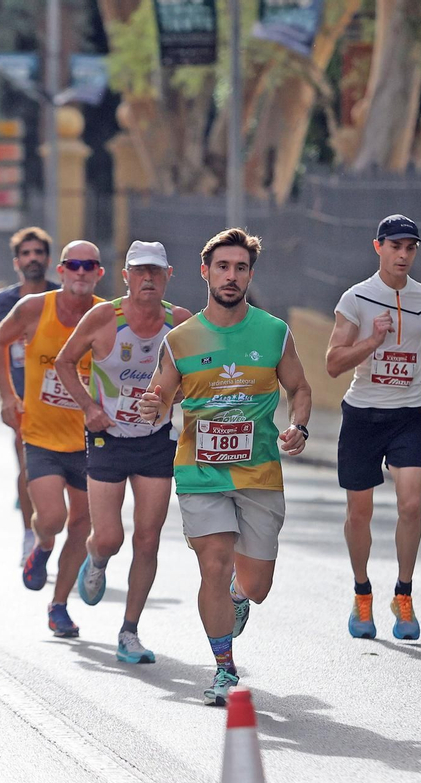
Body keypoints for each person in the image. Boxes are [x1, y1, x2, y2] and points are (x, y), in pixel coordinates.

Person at [136, 228, 313, 706]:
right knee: (211, 565)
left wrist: (299, 426)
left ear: (250, 274)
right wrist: (153, 408)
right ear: (205, 272)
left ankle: (239, 594)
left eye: (239, 268)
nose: (231, 276)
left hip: (259, 473)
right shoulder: (181, 339)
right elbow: (160, 394)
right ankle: (223, 669)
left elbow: (300, 388)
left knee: (256, 587)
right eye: (222, 267)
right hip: (200, 474)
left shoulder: (274, 332)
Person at [53, 241, 193, 664]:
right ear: (126, 277)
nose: (148, 279)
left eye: (156, 272)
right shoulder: (103, 318)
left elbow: (195, 377)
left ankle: (129, 631)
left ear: (169, 276)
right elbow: (63, 363)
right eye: (140, 272)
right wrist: (91, 408)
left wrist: (175, 397)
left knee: (148, 540)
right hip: (108, 437)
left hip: (155, 441)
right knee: (111, 537)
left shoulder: (181, 323)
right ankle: (96, 559)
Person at [325, 215, 421, 642]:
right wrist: (371, 341)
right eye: (395, 246)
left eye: (410, 247)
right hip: (362, 415)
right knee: (359, 513)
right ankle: (362, 592)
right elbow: (332, 362)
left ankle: (403, 594)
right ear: (378, 247)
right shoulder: (357, 299)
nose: (403, 255)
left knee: (411, 506)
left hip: (407, 414)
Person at [0, 241, 107, 638]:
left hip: (90, 440)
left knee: (82, 524)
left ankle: (58, 606)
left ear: (99, 273)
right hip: (39, 434)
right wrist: (8, 395)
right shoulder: (35, 308)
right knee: (53, 519)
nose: (81, 272)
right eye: (74, 265)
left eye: (89, 265)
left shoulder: (106, 316)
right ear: (62, 269)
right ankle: (40, 548)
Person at [0, 227, 61, 565]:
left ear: (47, 259)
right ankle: (29, 534)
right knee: (29, 468)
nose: (33, 259)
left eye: (38, 253)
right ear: (17, 262)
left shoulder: (61, 297)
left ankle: (62, 533)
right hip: (24, 400)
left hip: (63, 399)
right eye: (26, 254)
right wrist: (6, 395)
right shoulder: (6, 300)